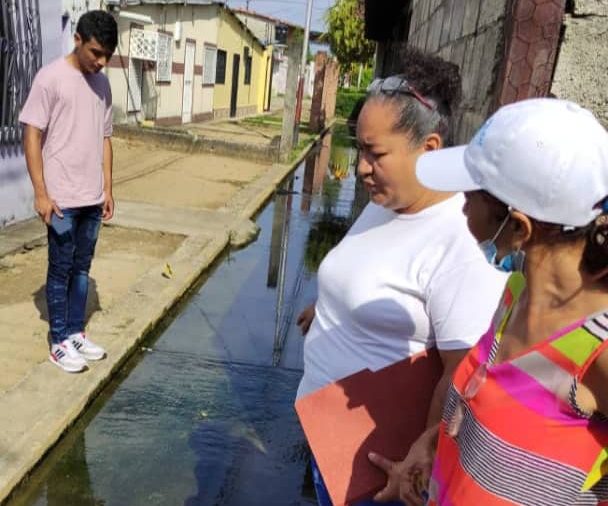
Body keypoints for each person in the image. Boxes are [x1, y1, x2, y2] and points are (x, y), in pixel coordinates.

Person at [295, 49, 507, 505]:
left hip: (377, 471)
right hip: (327, 434)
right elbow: (362, 267)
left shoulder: (458, 240)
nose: (361, 168)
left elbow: (462, 374)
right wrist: (331, 307)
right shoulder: (384, 203)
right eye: (360, 150)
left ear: (428, 149)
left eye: (376, 153)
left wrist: (420, 462)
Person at [402, 97, 608, 505]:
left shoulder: (596, 351)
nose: (461, 205)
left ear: (518, 227)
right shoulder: (515, 293)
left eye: (471, 195)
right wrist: (435, 442)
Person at [19, 10, 118, 372]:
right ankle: (58, 340)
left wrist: (107, 188)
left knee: (82, 268)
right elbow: (31, 133)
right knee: (60, 269)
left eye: (107, 55)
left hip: (92, 198)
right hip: (60, 199)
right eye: (95, 52)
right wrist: (41, 193)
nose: (101, 61)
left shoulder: (103, 85)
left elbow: (105, 138)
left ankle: (76, 332)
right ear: (77, 40)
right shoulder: (51, 79)